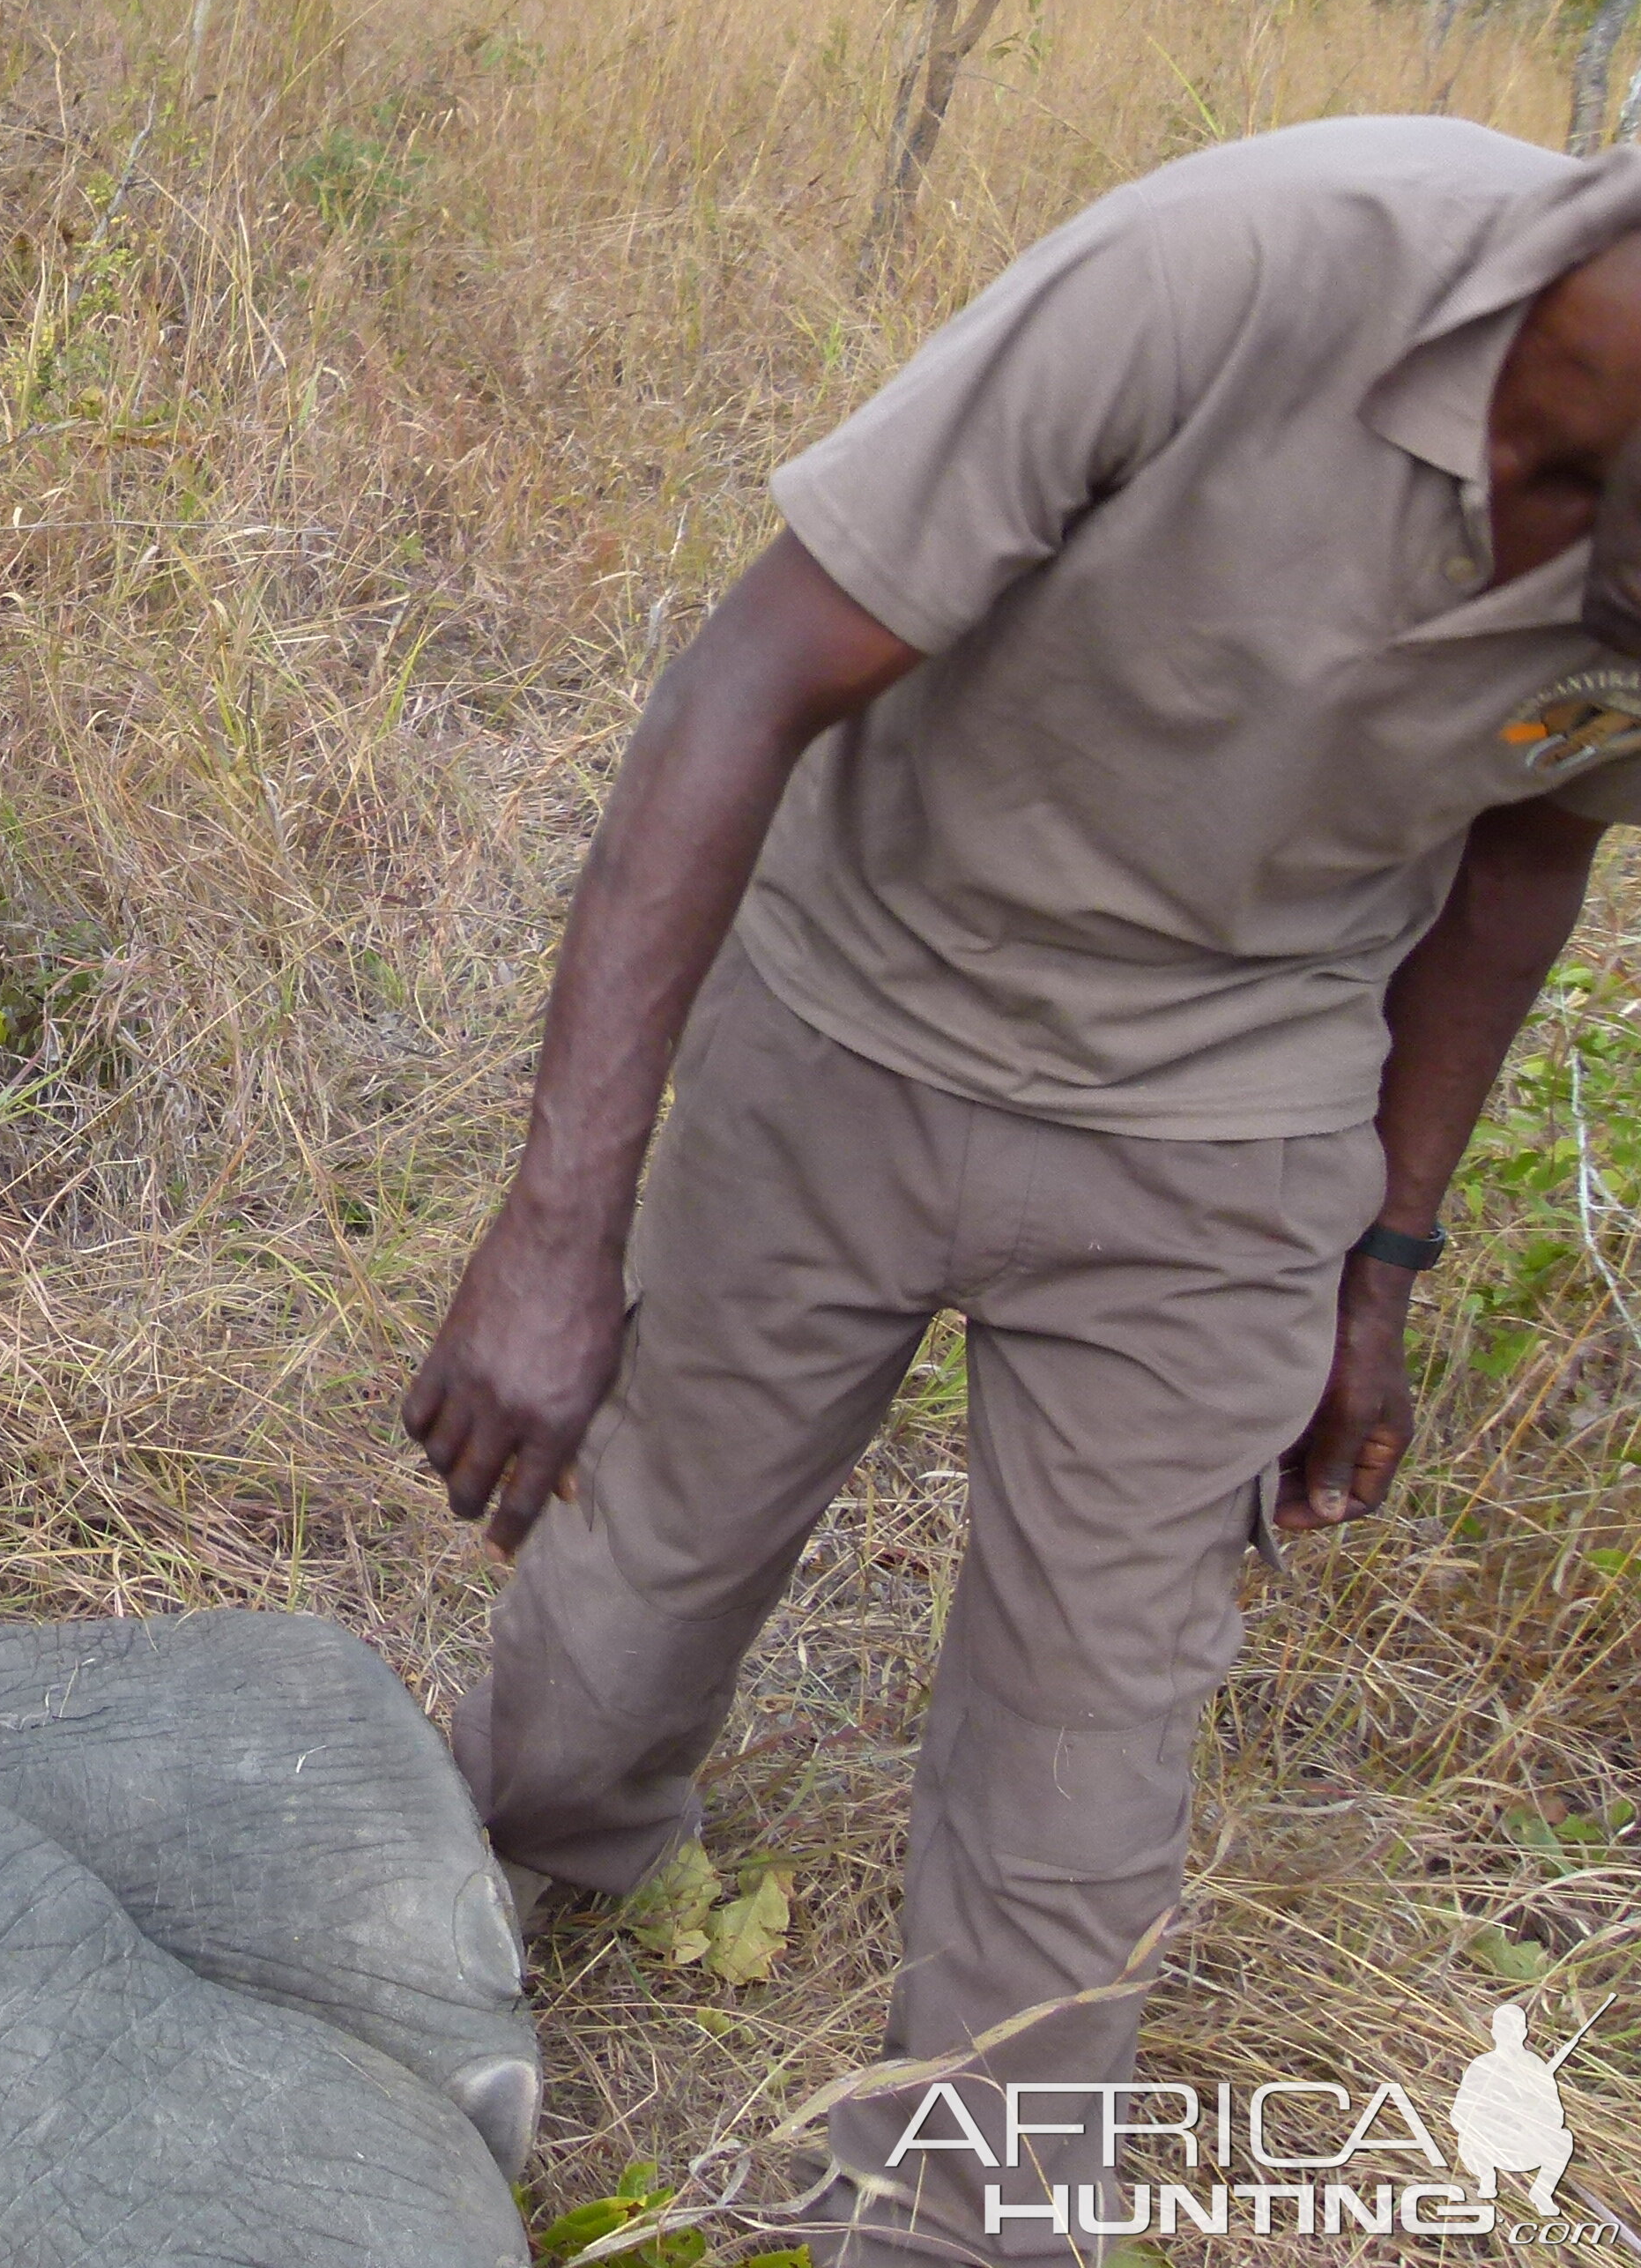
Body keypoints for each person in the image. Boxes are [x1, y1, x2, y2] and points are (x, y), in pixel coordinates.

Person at [399, 115, 1641, 2262]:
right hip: (861, 1003)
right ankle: (512, 1865)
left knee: (1090, 1741)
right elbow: (748, 675)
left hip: (1234, 1118)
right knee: (633, 1594)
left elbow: (1529, 848)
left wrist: (1386, 1249)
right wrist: (552, 1231)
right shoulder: (1231, 269)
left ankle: (960, 2220)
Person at [1452, 2004, 1576, 2215]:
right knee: (1466, 2139)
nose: (1510, 2035)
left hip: (1526, 2143)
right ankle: (1486, 2181)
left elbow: (1556, 2115)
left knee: (1563, 2139)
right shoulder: (1482, 2065)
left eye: (1515, 2029)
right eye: (1504, 2029)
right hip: (1487, 2142)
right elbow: (1459, 2113)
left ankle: (1542, 2193)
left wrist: (1532, 2109)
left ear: (1524, 2032)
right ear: (1494, 2032)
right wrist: (1491, 2116)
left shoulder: (1535, 2066)